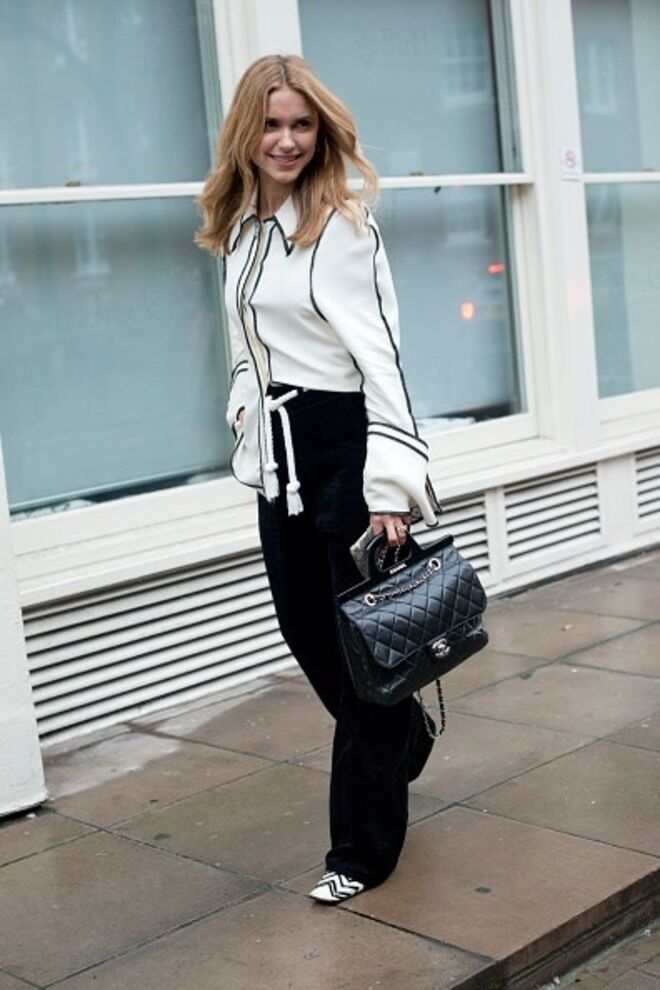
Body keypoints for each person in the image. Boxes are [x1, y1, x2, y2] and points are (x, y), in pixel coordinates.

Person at [196, 54, 440, 904]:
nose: (288, 140)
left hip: (345, 449)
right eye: (272, 124)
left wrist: (391, 488)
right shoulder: (239, 227)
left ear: (321, 132)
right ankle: (402, 739)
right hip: (279, 457)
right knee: (306, 632)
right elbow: (245, 343)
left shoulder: (342, 226)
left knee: (364, 653)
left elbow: (383, 360)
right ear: (246, 132)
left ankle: (362, 850)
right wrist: (243, 406)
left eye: (302, 124)